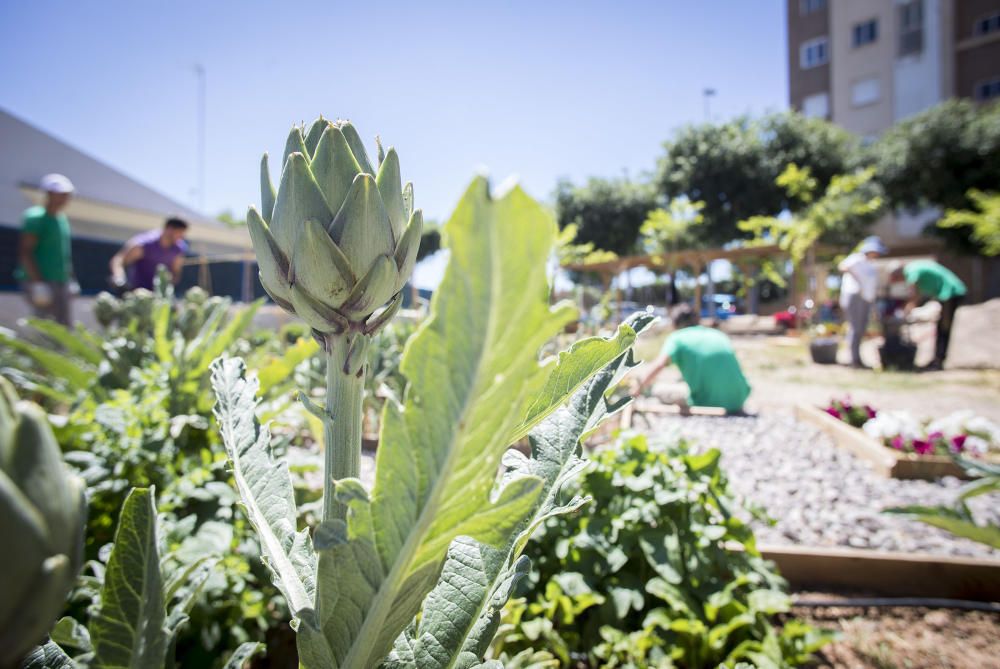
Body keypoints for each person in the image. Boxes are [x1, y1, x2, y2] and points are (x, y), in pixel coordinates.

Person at [632, 305, 751, 414]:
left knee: (658, 389)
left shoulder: (677, 338)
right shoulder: (717, 334)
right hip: (739, 399)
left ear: (674, 324)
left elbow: (659, 365)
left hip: (708, 402)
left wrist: (637, 389)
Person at [16, 174, 77, 325]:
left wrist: (70, 279)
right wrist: (38, 284)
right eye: (61, 195)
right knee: (45, 328)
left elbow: (64, 255)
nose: (65, 199)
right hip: (41, 281)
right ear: (49, 194)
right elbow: (26, 251)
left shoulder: (61, 219)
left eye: (67, 195)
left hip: (60, 281)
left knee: (64, 327)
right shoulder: (36, 217)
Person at [890, 259, 967, 371]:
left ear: (898, 273)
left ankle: (938, 362)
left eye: (897, 278)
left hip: (950, 293)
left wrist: (908, 309)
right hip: (947, 294)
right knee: (941, 327)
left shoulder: (911, 269)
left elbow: (914, 292)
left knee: (944, 328)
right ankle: (937, 360)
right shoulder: (915, 266)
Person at [837, 235, 887, 369]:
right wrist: (856, 278)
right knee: (855, 328)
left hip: (865, 299)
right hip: (854, 296)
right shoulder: (857, 258)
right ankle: (854, 360)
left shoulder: (870, 265)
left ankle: (857, 358)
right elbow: (843, 266)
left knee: (861, 329)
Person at [110, 217, 190, 290]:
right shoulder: (145, 244)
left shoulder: (178, 248)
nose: (182, 237)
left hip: (158, 295)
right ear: (169, 229)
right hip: (136, 291)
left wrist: (168, 282)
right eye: (180, 233)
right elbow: (119, 260)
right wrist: (119, 278)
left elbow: (176, 271)